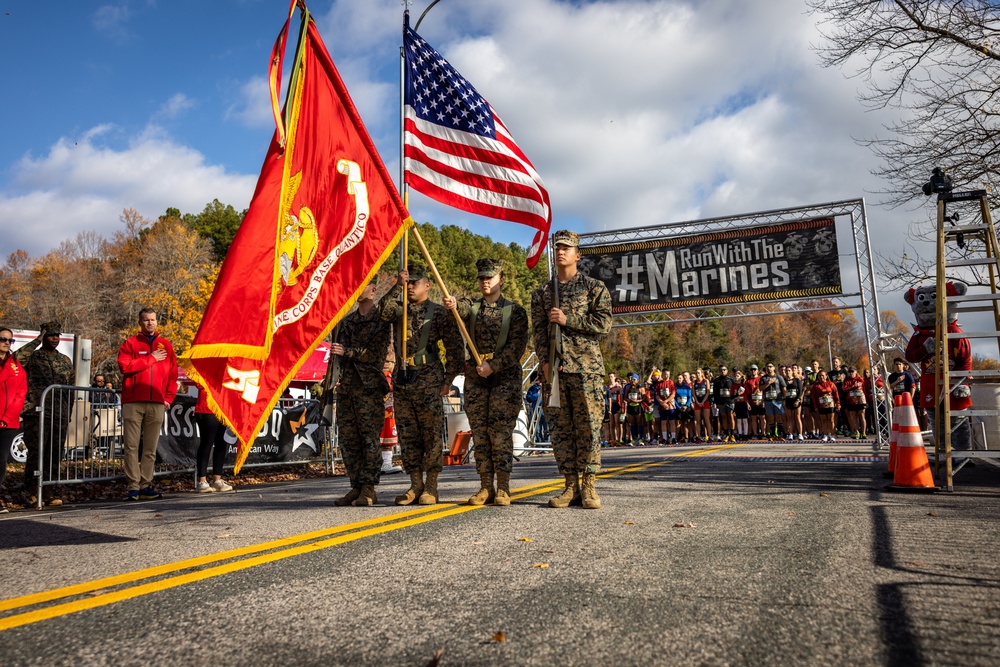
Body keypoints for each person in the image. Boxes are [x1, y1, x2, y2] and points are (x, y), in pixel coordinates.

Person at [531, 230, 612, 509]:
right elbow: (539, 331)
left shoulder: (593, 288)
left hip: (586, 368)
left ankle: (589, 485)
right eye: (558, 247)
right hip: (554, 370)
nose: (561, 251)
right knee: (560, 428)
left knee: (588, 426)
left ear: (578, 254)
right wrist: (543, 360)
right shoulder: (542, 292)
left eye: (567, 247)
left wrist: (568, 319)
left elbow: (603, 324)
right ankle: (570, 485)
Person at [444, 258, 529, 506]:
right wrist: (452, 304)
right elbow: (461, 309)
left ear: (500, 279)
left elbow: (516, 348)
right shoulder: (473, 306)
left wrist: (493, 365)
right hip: (476, 378)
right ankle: (485, 486)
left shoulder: (515, 311)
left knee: (500, 433)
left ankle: (503, 487)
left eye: (490, 277)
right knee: (480, 433)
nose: (485, 281)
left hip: (504, 378)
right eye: (482, 277)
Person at [380, 265, 463, 506]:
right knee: (408, 434)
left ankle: (432, 485)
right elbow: (381, 313)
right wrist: (396, 284)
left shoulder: (438, 313)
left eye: (414, 283)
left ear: (427, 285)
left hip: (429, 378)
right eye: (408, 283)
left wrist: (448, 380)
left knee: (431, 434)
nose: (410, 287)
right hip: (403, 377)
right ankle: (415, 484)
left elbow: (455, 348)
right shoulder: (398, 310)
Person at [331, 279, 393, 506]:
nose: (357, 289)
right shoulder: (347, 322)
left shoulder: (382, 321)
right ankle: (355, 486)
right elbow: (338, 354)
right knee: (349, 441)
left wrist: (347, 352)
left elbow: (374, 354)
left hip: (369, 387)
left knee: (369, 440)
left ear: (373, 290)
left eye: (363, 285)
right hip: (347, 387)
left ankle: (369, 488)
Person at [117, 309, 178, 501]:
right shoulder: (130, 343)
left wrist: (168, 398)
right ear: (140, 322)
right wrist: (150, 358)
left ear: (157, 322)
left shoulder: (166, 345)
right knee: (131, 446)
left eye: (152, 320)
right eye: (146, 320)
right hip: (133, 401)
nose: (150, 323)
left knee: (150, 448)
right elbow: (125, 366)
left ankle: (145, 484)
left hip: (157, 402)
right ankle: (133, 485)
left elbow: (172, 375)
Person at [15, 323, 74, 506]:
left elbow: (70, 389)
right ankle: (32, 491)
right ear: (44, 336)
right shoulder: (34, 357)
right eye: (50, 336)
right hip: (36, 412)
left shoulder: (65, 360)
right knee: (36, 452)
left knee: (55, 452)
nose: (55, 339)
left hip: (59, 413)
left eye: (57, 336)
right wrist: (37, 340)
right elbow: (17, 357)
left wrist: (68, 412)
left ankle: (48, 490)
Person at [0, 327, 27, 513]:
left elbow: (20, 394)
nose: (6, 343)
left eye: (10, 340)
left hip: (7, 422)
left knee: (0, 460)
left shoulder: (16, 367)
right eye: (2, 339)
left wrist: (7, 417)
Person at [193, 392, 233, 493]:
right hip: (207, 408)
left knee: (221, 443)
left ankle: (217, 480)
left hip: (223, 407)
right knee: (207, 443)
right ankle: (202, 481)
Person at [758, 362, 786, 440]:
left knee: (778, 417)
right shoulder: (763, 378)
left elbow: (783, 388)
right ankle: (773, 435)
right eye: (767, 367)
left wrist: (784, 399)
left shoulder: (779, 377)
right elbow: (760, 389)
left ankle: (780, 435)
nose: (769, 368)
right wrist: (768, 383)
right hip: (768, 401)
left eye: (770, 366)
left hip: (778, 400)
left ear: (774, 368)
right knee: (770, 418)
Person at [811, 370, 840, 442]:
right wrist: (815, 406)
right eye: (820, 376)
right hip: (821, 405)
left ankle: (832, 434)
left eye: (823, 375)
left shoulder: (831, 384)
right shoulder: (816, 386)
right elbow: (813, 397)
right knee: (824, 420)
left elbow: (836, 394)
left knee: (831, 420)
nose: (821, 377)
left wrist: (838, 403)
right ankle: (826, 434)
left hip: (830, 404)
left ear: (826, 376)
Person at [842, 365, 867, 438]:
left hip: (860, 400)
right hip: (851, 400)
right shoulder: (846, 380)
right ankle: (857, 432)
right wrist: (853, 387)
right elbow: (844, 389)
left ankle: (864, 432)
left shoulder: (860, 379)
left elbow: (864, 388)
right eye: (849, 372)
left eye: (852, 371)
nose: (851, 373)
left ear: (856, 372)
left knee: (862, 415)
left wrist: (867, 401)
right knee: (853, 416)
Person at [712, 365, 736, 442]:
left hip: (729, 400)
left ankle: (732, 434)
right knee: (724, 417)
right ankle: (726, 434)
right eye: (721, 370)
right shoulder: (716, 380)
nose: (722, 371)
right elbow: (715, 392)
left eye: (724, 369)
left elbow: (735, 389)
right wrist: (715, 402)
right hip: (720, 401)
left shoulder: (731, 379)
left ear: (727, 370)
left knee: (730, 416)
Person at [653, 369, 676, 444]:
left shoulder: (671, 382)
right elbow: (657, 395)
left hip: (670, 405)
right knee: (663, 422)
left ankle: (673, 438)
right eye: (665, 374)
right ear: (662, 374)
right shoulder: (659, 384)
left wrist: (666, 401)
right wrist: (662, 403)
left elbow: (673, 394)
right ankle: (664, 438)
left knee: (672, 422)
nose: (667, 376)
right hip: (662, 405)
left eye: (668, 374)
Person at [623, 373, 645, 445]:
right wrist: (628, 400)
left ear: (637, 380)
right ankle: (633, 439)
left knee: (639, 422)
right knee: (631, 422)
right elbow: (625, 397)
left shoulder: (640, 388)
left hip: (638, 406)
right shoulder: (628, 387)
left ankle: (640, 438)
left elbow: (644, 397)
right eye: (632, 379)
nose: (632, 381)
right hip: (630, 407)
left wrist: (638, 401)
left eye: (634, 379)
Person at [783, 365, 804, 441]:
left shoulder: (797, 380)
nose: (788, 372)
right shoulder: (784, 381)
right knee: (789, 418)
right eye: (786, 371)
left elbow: (800, 390)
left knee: (797, 417)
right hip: (788, 400)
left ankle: (800, 434)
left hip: (796, 400)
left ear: (792, 371)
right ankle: (790, 434)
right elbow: (783, 391)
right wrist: (784, 400)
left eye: (789, 371)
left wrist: (798, 399)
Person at [691, 368, 712, 443]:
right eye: (696, 373)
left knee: (706, 420)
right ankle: (699, 437)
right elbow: (693, 393)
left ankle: (709, 436)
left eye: (699, 373)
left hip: (705, 401)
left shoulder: (706, 381)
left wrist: (703, 401)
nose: (697, 374)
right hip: (697, 402)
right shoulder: (694, 382)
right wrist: (696, 401)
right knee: (698, 420)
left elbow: (708, 392)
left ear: (702, 374)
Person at [746, 364, 766, 438]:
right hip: (752, 402)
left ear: (757, 370)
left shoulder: (761, 378)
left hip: (761, 401)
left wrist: (763, 401)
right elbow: (747, 394)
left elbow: (764, 390)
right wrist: (748, 403)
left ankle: (763, 433)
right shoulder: (748, 381)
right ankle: (755, 434)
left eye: (754, 369)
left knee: (762, 417)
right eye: (752, 370)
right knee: (753, 418)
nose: (753, 371)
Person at [675, 371, 694, 443]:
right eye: (678, 378)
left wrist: (686, 405)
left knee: (687, 422)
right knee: (678, 423)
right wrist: (678, 407)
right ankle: (677, 438)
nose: (679, 379)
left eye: (680, 378)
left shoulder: (687, 387)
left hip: (686, 406)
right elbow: (674, 398)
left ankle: (687, 437)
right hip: (678, 407)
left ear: (683, 379)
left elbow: (689, 397)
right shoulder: (675, 387)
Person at [606, 373, 623, 444]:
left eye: (612, 377)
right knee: (611, 424)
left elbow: (621, 397)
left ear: (614, 377)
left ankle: (619, 439)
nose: (610, 378)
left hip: (616, 405)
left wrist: (621, 407)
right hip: (610, 406)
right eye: (609, 377)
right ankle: (613, 440)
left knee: (617, 423)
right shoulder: (607, 387)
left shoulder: (618, 386)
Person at [732, 370, 749, 441]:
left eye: (738, 376)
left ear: (741, 377)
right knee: (738, 420)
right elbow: (731, 395)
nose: (736, 378)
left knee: (745, 420)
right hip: (737, 403)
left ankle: (745, 434)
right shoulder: (733, 386)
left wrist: (748, 404)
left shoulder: (744, 385)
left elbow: (748, 394)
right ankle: (740, 434)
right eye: (735, 376)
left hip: (743, 403)